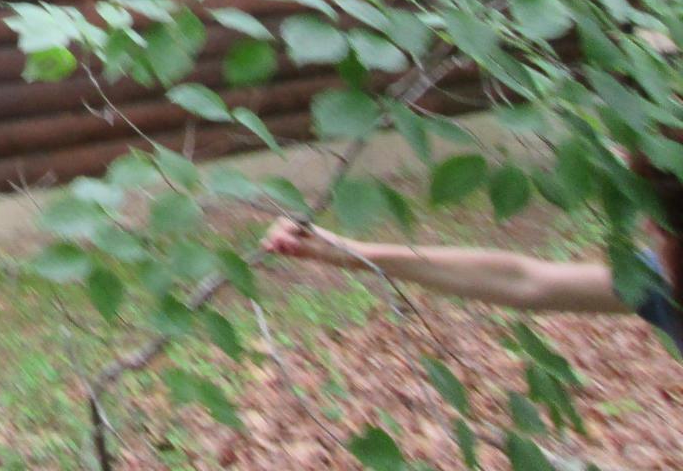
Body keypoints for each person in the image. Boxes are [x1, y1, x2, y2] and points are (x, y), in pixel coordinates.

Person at [260, 151, 683, 355]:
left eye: (656, 218)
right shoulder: (661, 284)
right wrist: (350, 253)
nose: (644, 226)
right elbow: (527, 281)